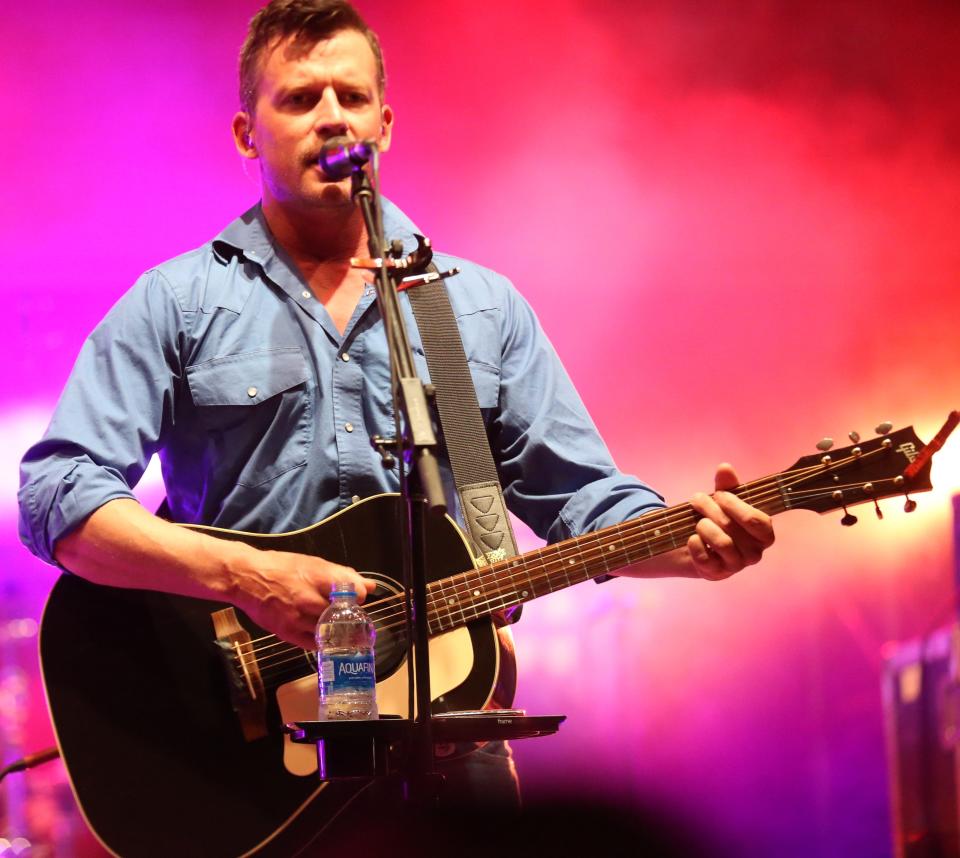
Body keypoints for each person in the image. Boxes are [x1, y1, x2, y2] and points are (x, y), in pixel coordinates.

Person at [18, 0, 773, 820]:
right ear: (248, 133)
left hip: (454, 736)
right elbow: (56, 498)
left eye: (350, 96)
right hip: (251, 750)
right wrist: (247, 578)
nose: (330, 117)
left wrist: (687, 544)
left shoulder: (472, 309)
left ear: (385, 123)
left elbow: (584, 501)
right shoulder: (179, 303)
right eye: (300, 99)